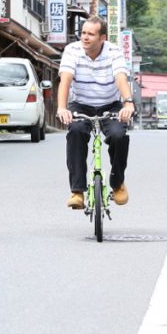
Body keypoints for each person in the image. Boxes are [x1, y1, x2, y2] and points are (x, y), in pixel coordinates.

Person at [56, 15, 135, 209]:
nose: (85, 37)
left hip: (110, 104)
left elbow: (121, 78)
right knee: (75, 132)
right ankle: (77, 192)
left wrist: (128, 103)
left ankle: (117, 184)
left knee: (118, 135)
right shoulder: (72, 50)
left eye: (90, 34)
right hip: (81, 104)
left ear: (102, 38)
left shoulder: (114, 52)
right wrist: (62, 107)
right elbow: (65, 80)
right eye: (83, 33)